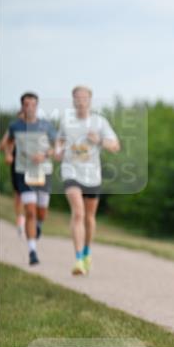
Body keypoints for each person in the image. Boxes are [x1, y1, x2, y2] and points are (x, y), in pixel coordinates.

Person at [56, 85, 121, 275]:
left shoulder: (100, 122)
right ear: (73, 100)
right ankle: (78, 260)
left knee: (89, 218)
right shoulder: (66, 121)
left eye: (84, 98)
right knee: (78, 213)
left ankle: (86, 252)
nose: (81, 101)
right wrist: (58, 151)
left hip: (92, 175)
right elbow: (59, 140)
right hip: (71, 172)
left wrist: (98, 140)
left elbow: (115, 146)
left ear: (90, 100)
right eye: (77, 97)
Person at [1, 93, 57, 265]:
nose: (30, 108)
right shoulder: (15, 126)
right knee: (30, 211)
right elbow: (8, 143)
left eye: (33, 104)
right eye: (26, 104)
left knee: (41, 211)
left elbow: (56, 147)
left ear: (37, 106)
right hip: (22, 171)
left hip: (43, 171)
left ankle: (39, 224)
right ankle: (32, 251)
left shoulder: (46, 126)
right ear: (22, 106)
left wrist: (45, 155)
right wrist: (9, 154)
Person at [0, 108, 27, 237]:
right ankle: (20, 219)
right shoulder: (13, 129)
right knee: (18, 194)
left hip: (31, 165)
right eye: (21, 115)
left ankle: (27, 218)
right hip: (17, 165)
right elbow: (2, 145)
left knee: (30, 193)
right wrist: (8, 154)